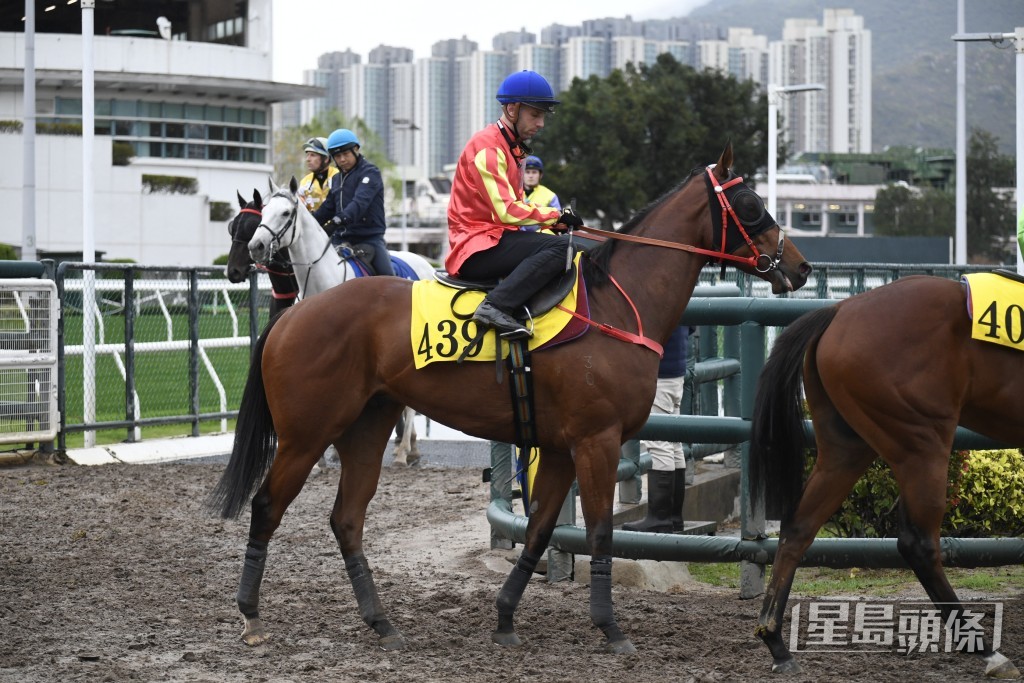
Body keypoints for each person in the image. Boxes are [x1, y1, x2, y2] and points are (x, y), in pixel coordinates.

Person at [446, 70, 583, 339]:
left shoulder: (512, 149)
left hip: (494, 239)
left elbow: (515, 208)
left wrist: (556, 222)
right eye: (535, 114)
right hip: (476, 245)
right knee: (562, 249)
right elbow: (507, 211)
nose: (541, 123)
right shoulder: (488, 148)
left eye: (543, 115)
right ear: (512, 109)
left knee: (568, 245)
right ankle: (494, 307)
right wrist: (556, 213)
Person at [622, 326, 691, 534]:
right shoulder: (682, 293)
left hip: (660, 371)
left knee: (660, 444)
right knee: (674, 443)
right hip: (677, 369)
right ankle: (674, 517)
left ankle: (659, 517)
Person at [313, 128, 395, 276]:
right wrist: (310, 221)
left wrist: (336, 222)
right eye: (337, 156)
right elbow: (327, 208)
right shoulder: (336, 179)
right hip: (339, 239)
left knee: (389, 282)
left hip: (369, 239)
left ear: (356, 149)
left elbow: (359, 204)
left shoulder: (370, 173)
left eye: (345, 154)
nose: (342, 159)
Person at [296, 136, 338, 213]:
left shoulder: (339, 176)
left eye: (312, 155)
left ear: (326, 159)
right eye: (307, 155)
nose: (308, 159)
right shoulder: (304, 182)